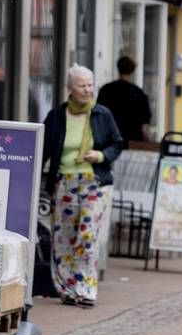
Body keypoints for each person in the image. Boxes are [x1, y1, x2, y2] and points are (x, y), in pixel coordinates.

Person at [39, 66, 124, 307]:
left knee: (87, 235)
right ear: (70, 89)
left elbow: (117, 144)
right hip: (64, 183)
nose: (88, 90)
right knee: (64, 237)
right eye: (82, 85)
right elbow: (43, 149)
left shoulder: (102, 114)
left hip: (94, 183)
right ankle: (66, 288)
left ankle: (85, 288)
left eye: (90, 85)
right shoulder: (57, 116)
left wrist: (99, 155)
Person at [97, 55, 153, 145]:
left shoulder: (106, 89)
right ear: (132, 71)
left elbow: (98, 114)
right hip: (132, 140)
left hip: (109, 139)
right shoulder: (138, 93)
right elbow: (146, 118)